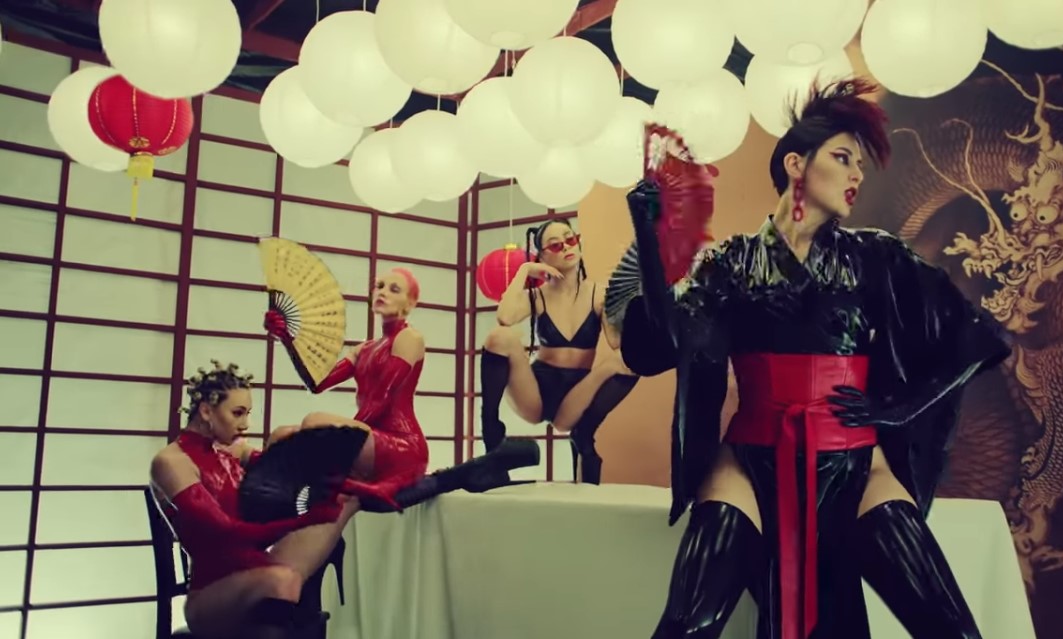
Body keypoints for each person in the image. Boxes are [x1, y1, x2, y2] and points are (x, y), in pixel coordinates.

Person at [610, 78, 1010, 638]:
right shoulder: (730, 262)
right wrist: (649, 240)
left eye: (860, 165)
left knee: (953, 630)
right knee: (686, 626)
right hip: (749, 461)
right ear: (796, 164)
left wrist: (897, 409)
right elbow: (655, 346)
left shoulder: (875, 257)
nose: (856, 175)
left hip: (857, 464)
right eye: (843, 158)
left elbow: (978, 338)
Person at [265, 266, 539, 512]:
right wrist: (287, 338)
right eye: (379, 286)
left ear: (410, 303)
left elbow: (381, 400)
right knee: (281, 436)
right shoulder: (364, 349)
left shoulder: (410, 338)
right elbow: (317, 384)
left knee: (315, 423)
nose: (382, 292)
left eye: (394, 289)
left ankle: (329, 487)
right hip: (369, 440)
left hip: (401, 445)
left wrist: (342, 437)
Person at [149, 361, 353, 638]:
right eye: (237, 413)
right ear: (206, 411)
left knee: (345, 497)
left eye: (247, 413)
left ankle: (400, 484)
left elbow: (280, 469)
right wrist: (304, 520)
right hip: (212, 595)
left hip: (258, 569)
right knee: (283, 580)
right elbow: (225, 534)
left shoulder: (231, 453)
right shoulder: (172, 462)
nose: (245, 424)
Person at [479, 218, 638, 484]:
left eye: (570, 239)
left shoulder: (599, 294)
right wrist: (524, 270)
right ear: (542, 257)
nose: (566, 246)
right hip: (536, 391)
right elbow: (505, 317)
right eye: (555, 245)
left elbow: (616, 342)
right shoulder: (539, 296)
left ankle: (584, 436)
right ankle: (491, 434)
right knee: (500, 337)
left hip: (577, 394)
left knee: (630, 361)